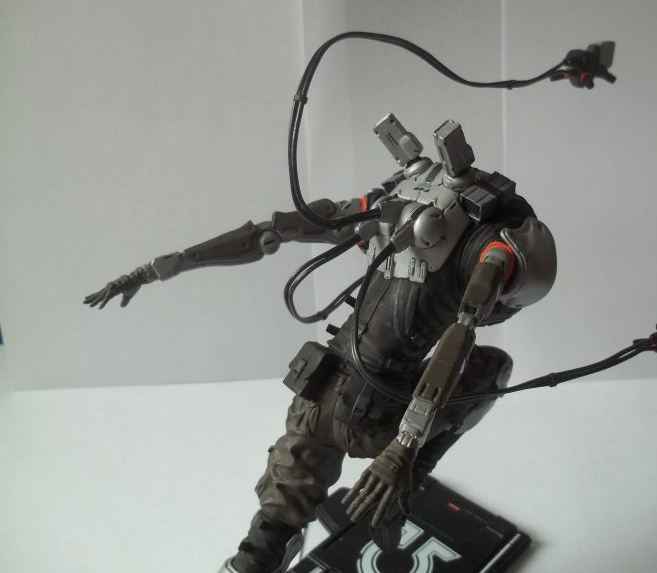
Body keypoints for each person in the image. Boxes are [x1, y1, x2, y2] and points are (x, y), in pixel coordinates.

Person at [85, 116, 557, 573]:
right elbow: (466, 329)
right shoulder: (482, 244)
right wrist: (405, 448)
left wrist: (157, 268)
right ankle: (412, 474)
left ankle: (260, 554)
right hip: (379, 418)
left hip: (315, 394)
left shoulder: (387, 207)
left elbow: (269, 233)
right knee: (492, 366)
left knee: (275, 522)